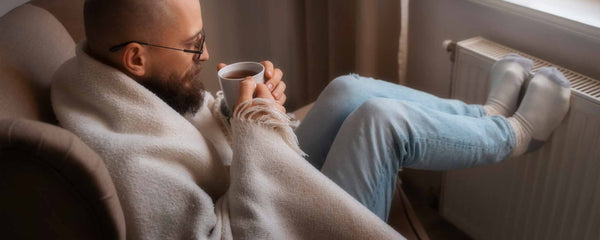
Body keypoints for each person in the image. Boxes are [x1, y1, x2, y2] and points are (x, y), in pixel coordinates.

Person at [50, 0, 571, 239]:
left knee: (345, 89)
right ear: (136, 58)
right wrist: (255, 129)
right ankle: (515, 133)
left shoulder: (123, 80)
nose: (206, 56)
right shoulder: (124, 156)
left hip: (260, 188)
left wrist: (246, 111)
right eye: (193, 46)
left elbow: (200, 135)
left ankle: (486, 114)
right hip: (271, 224)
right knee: (381, 121)